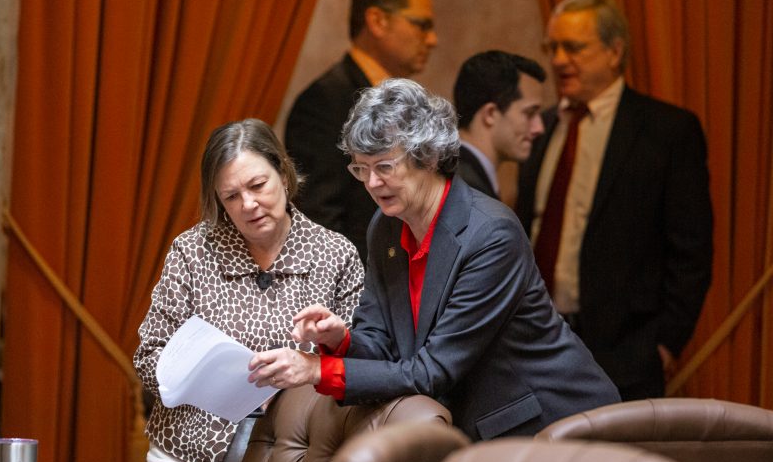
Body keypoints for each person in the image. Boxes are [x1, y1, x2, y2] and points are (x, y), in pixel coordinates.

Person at [247, 79, 619, 441]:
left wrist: (316, 369)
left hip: (554, 425)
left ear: (428, 156)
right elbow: (385, 345)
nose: (372, 183)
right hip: (480, 428)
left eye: (385, 167)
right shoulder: (386, 228)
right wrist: (340, 340)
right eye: (361, 168)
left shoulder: (491, 234)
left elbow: (432, 370)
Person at [134, 119, 365, 462]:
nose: (249, 205)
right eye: (231, 197)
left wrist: (327, 349)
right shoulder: (192, 252)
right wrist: (214, 385)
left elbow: (362, 366)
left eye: (258, 186)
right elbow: (148, 356)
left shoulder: (335, 255)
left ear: (284, 175)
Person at [516, 0, 713, 400]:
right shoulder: (541, 127)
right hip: (537, 342)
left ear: (614, 51)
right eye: (551, 47)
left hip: (626, 352)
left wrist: (664, 344)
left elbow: (691, 249)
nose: (558, 60)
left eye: (573, 47)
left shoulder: (667, 132)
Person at [285, 0, 436, 263]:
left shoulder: (406, 100)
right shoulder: (325, 102)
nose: (432, 39)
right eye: (422, 25)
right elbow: (320, 219)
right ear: (378, 21)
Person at [452, 50, 546, 203]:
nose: (539, 128)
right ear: (490, 114)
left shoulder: (453, 174)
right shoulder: (467, 192)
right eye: (529, 113)